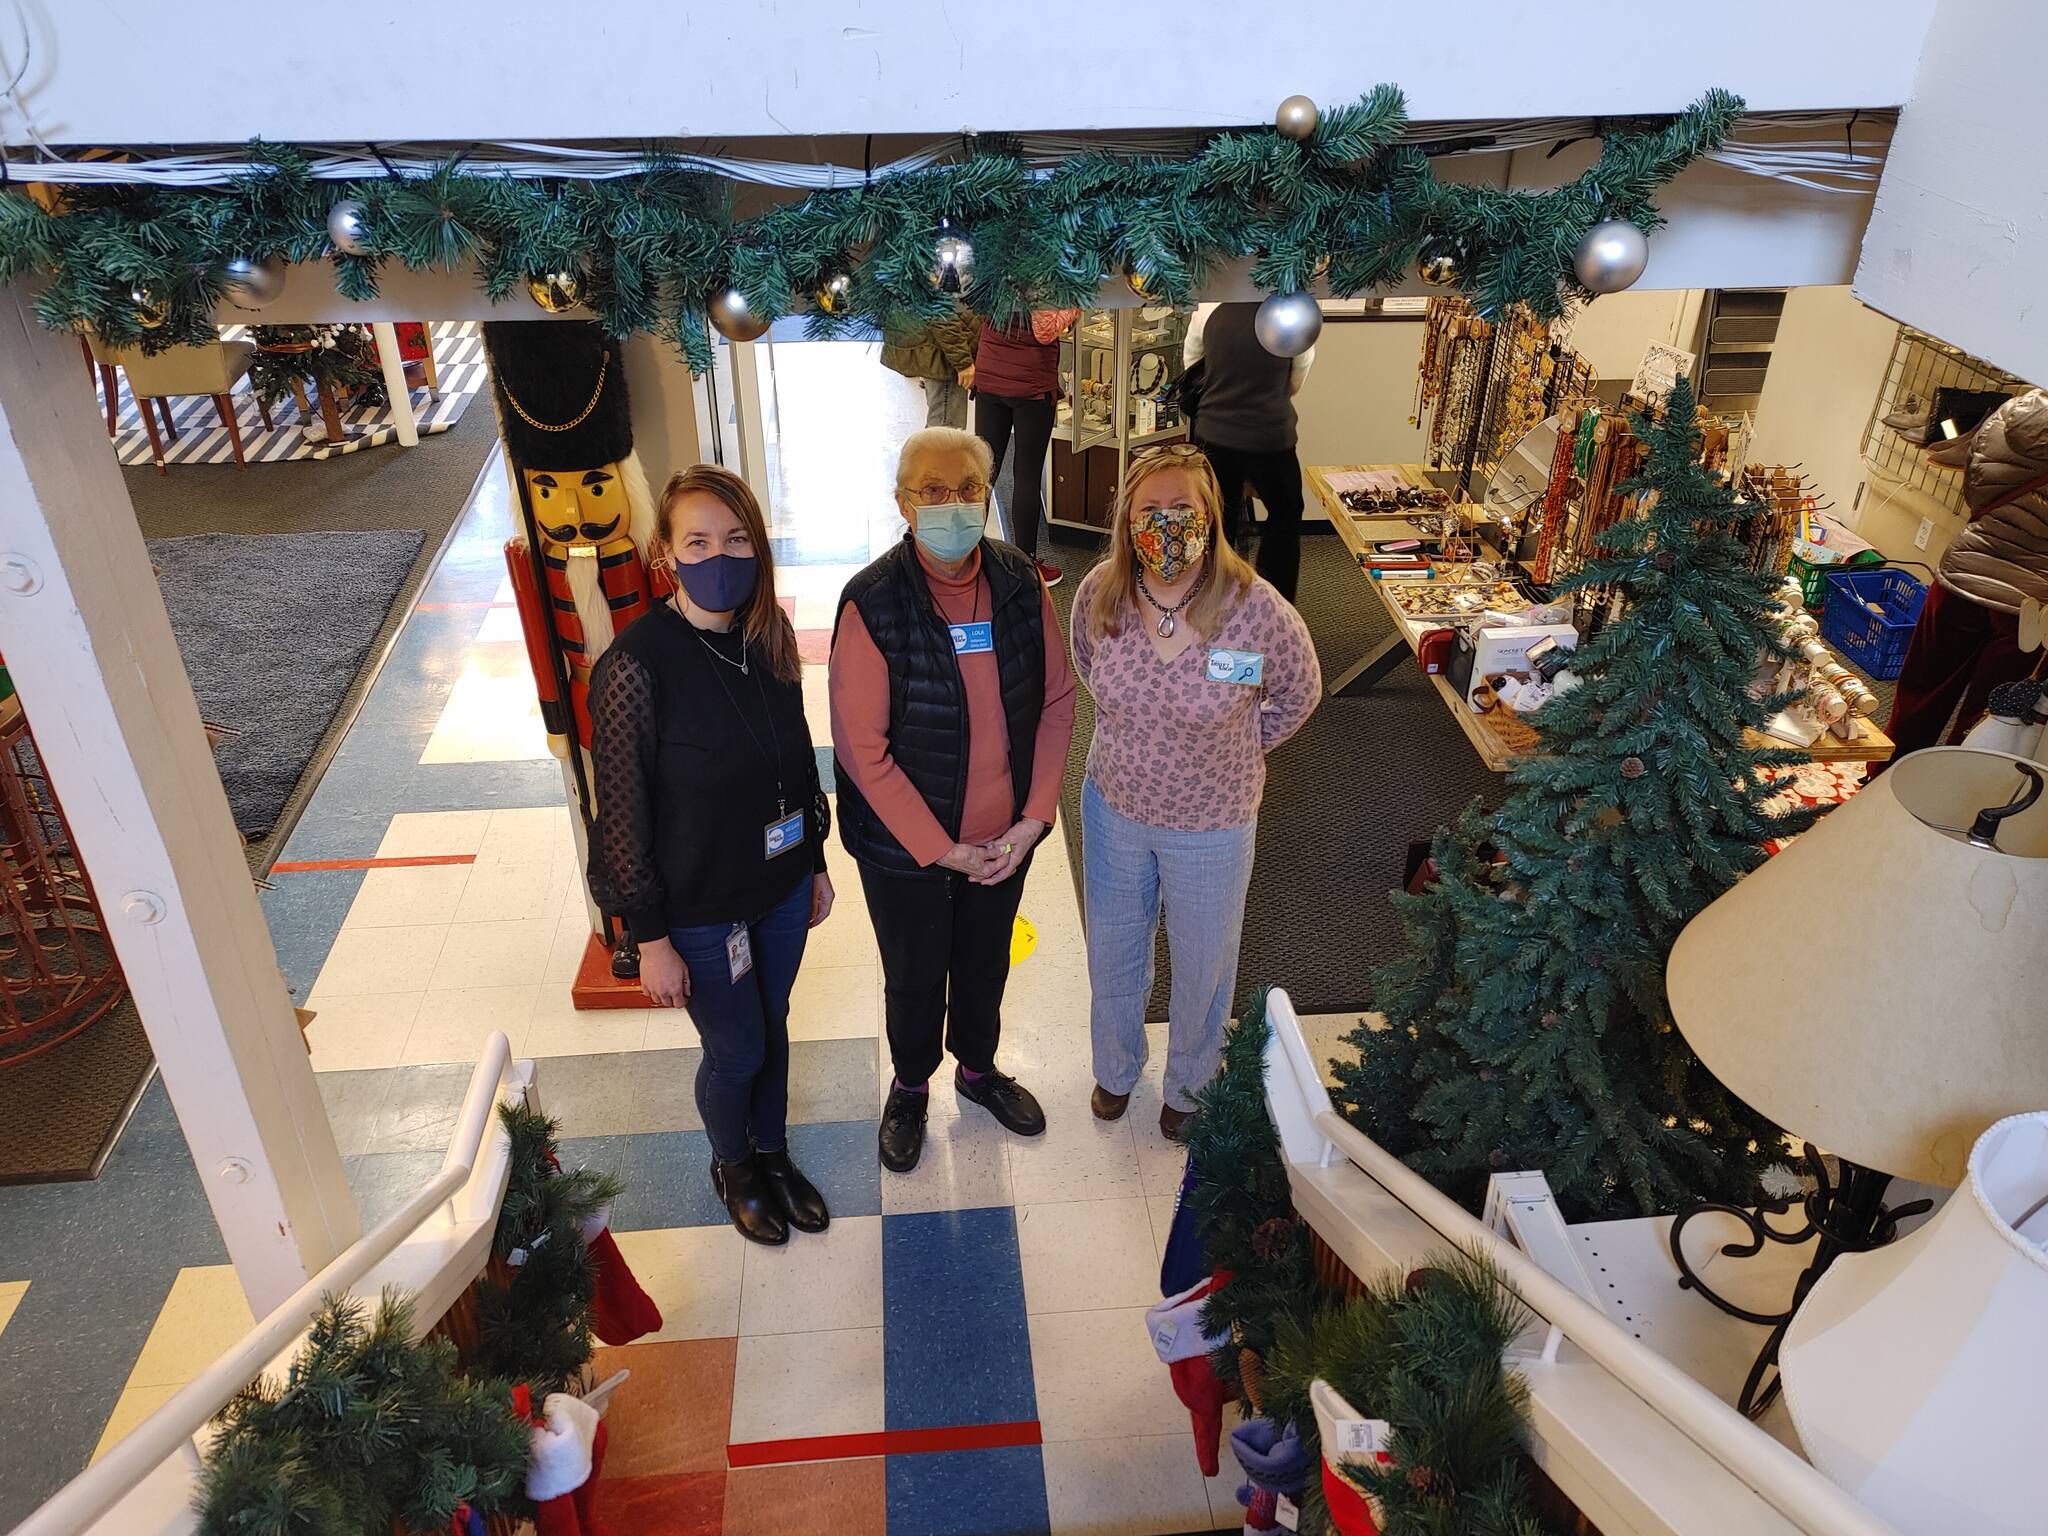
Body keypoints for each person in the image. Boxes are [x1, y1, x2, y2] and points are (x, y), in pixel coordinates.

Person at [587, 464, 834, 1247]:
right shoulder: (636, 664)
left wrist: (816, 859)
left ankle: (773, 1152)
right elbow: (619, 817)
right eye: (697, 540)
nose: (718, 555)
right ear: (666, 553)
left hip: (783, 885)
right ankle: (733, 1164)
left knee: (775, 1022)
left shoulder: (769, 638)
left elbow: (797, 759)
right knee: (737, 1049)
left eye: (734, 539)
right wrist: (649, 938)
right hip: (700, 911)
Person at [829, 426, 1078, 1172]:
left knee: (982, 965)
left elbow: (1058, 701)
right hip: (906, 852)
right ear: (903, 504)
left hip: (1003, 841)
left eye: (968, 489)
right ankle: (910, 1087)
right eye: (932, 492)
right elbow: (861, 751)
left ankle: (976, 1070)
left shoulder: (1017, 582)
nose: (952, 505)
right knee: (913, 975)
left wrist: (1032, 821)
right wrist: (943, 850)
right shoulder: (870, 602)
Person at [1072, 444, 1319, 1139]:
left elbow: (1298, 691)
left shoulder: (1256, 610)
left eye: (1185, 508)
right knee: (1114, 951)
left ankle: (1189, 1083)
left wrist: (1238, 745)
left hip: (1213, 821)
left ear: (1213, 517)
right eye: (1150, 509)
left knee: (1205, 962)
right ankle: (1116, 1070)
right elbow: (1089, 666)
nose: (1168, 524)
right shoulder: (1101, 593)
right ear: (1126, 519)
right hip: (1114, 804)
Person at [1880, 387, 2048, 767]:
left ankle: (1883, 775)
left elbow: (1974, 488)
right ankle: (1949, 792)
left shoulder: (2009, 412)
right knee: (1988, 715)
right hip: (2029, 604)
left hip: (1964, 573)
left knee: (1922, 688)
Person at [1184, 301, 1316, 602]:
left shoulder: (1210, 307)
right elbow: (1298, 374)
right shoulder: (1291, 309)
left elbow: (1192, 364)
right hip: (1270, 434)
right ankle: (1275, 601)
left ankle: (1215, 599)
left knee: (1218, 520)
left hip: (1216, 430)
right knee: (1285, 516)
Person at [973, 307, 1081, 588]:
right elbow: (1044, 330)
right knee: (1027, 476)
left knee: (983, 475)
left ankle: (968, 558)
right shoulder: (1046, 271)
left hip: (990, 373)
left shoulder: (993, 264)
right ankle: (1026, 564)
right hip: (1031, 384)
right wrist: (1076, 305)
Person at [882, 306, 982, 429]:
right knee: (946, 431)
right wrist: (963, 362)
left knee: (940, 426)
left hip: (935, 346)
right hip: (944, 355)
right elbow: (942, 316)